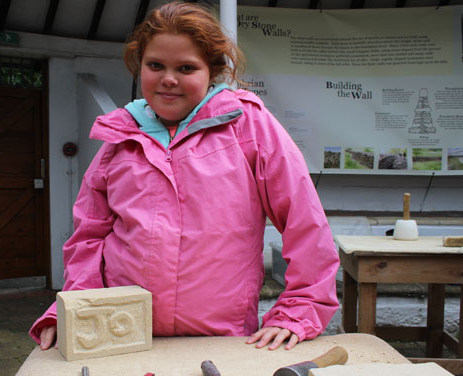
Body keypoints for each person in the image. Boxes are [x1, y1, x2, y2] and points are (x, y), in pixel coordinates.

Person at [30, 1, 339, 352]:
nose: (169, 79)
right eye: (155, 65)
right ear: (139, 65)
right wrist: (74, 310)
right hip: (125, 338)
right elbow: (88, 238)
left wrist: (299, 309)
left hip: (223, 341)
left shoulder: (247, 126)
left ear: (213, 71)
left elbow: (304, 221)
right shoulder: (120, 137)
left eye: (187, 67)